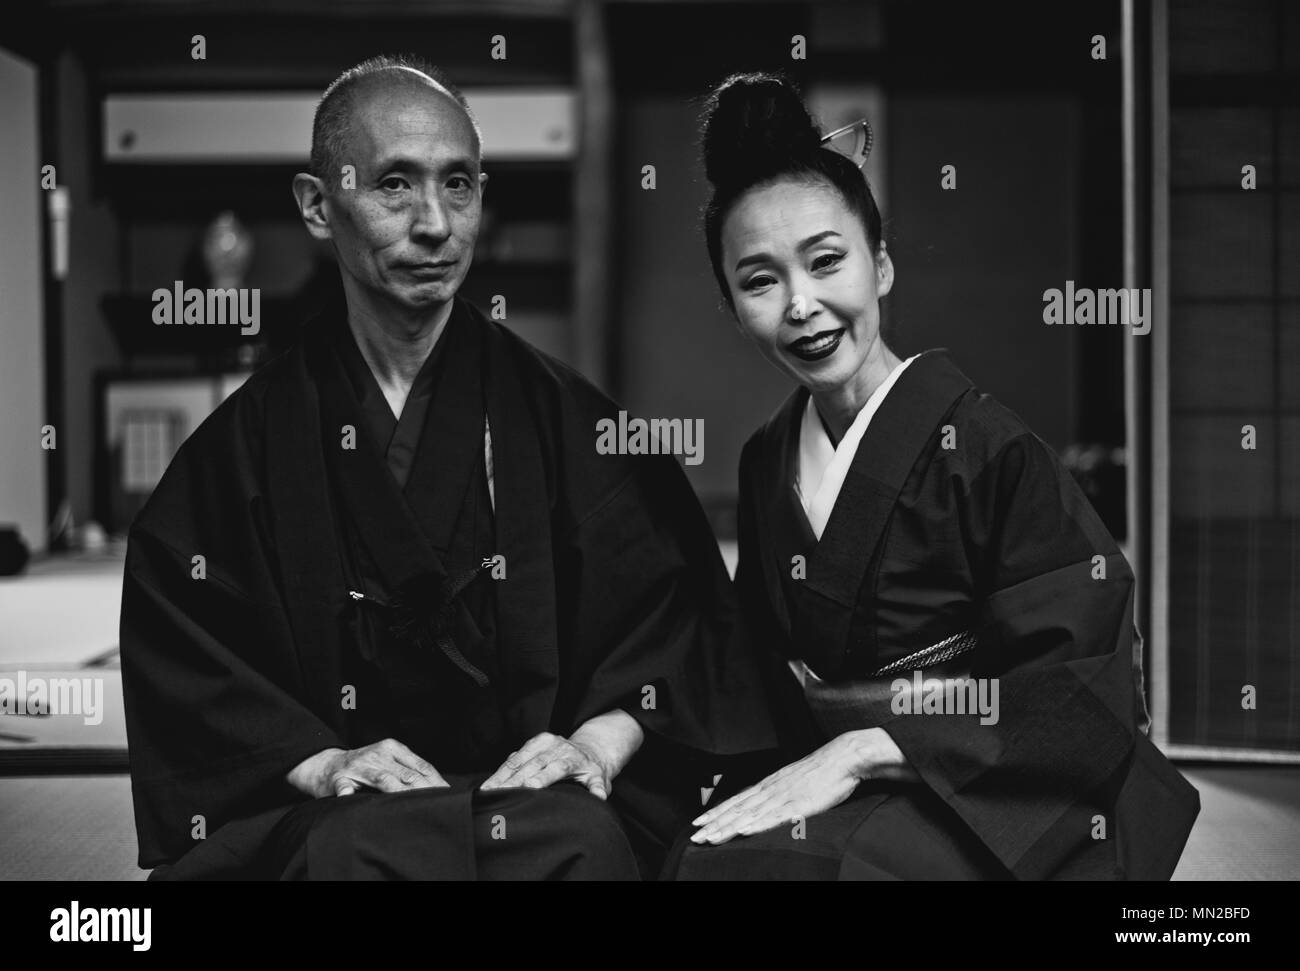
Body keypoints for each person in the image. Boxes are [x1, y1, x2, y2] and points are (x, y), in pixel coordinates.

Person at [119, 55, 770, 880]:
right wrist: (318, 762)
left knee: (586, 845)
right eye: (395, 185)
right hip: (342, 808)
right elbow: (185, 641)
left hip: (536, 800)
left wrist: (594, 745)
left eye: (458, 184)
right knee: (341, 855)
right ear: (318, 206)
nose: (435, 223)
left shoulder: (567, 418)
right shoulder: (244, 445)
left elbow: (677, 616)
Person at [668, 73, 1199, 880]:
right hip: (843, 769)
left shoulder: (992, 449)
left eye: (826, 261)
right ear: (731, 306)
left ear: (880, 266)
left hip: (992, 785)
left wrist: (871, 747)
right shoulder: (767, 459)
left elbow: (1081, 689)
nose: (801, 304)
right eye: (761, 280)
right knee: (694, 855)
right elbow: (747, 668)